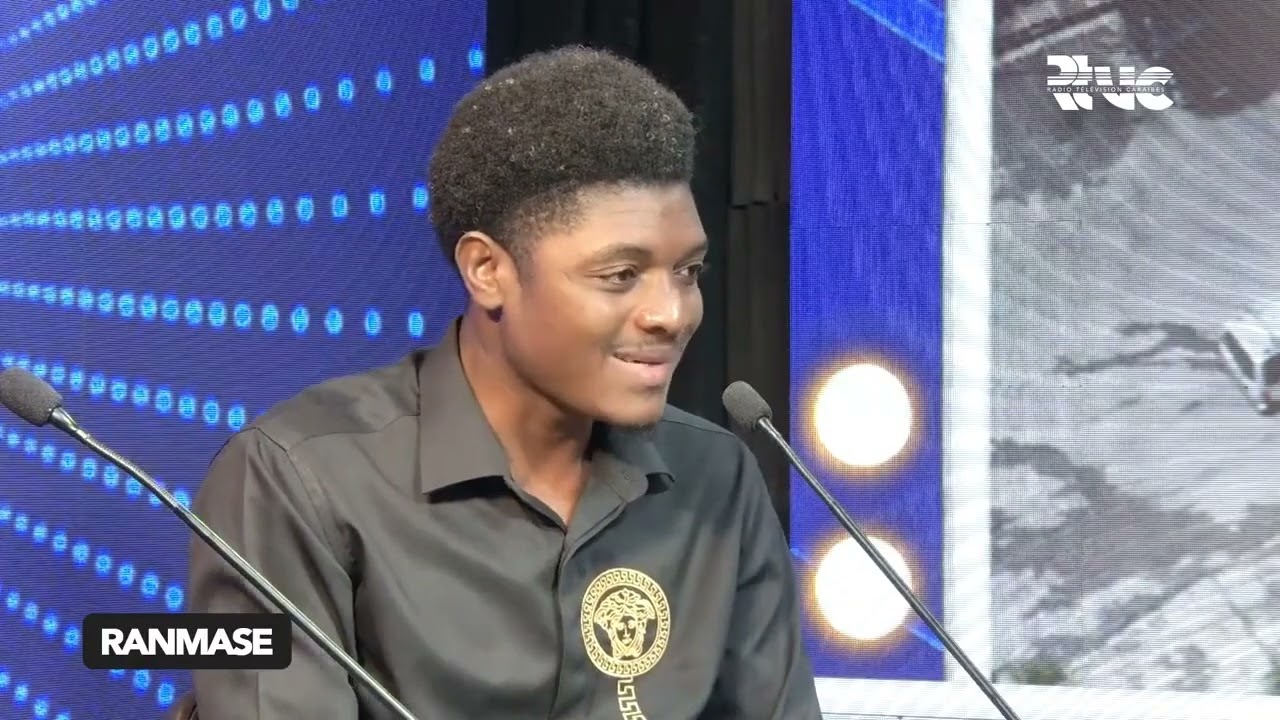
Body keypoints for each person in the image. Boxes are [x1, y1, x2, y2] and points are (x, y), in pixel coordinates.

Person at [188, 45, 822, 720]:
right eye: (620, 276)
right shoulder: (295, 479)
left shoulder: (717, 478)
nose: (671, 313)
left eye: (688, 272)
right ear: (487, 271)